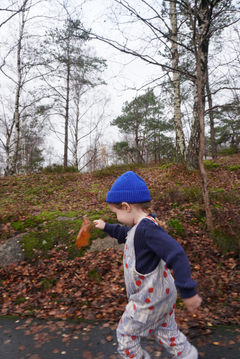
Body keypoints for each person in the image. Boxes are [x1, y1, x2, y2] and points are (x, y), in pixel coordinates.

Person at [94, 171, 202, 359]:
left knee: (125, 334)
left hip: (149, 299)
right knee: (165, 329)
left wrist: (188, 291)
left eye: (116, 213)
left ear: (126, 207)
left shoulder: (146, 229)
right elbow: (125, 234)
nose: (117, 217)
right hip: (162, 297)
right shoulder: (141, 227)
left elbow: (176, 253)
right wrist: (106, 227)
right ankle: (188, 355)